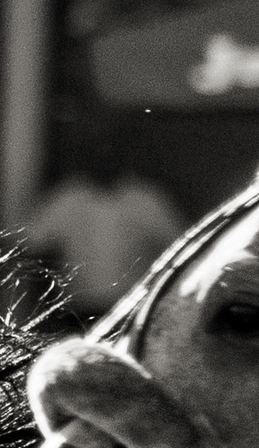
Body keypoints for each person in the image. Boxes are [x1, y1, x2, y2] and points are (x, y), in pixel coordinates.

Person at [22, 125, 185, 321]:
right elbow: (32, 246)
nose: (104, 159)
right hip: (76, 313)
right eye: (97, 153)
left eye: (111, 153)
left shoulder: (147, 199)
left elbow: (181, 247)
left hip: (132, 312)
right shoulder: (66, 198)